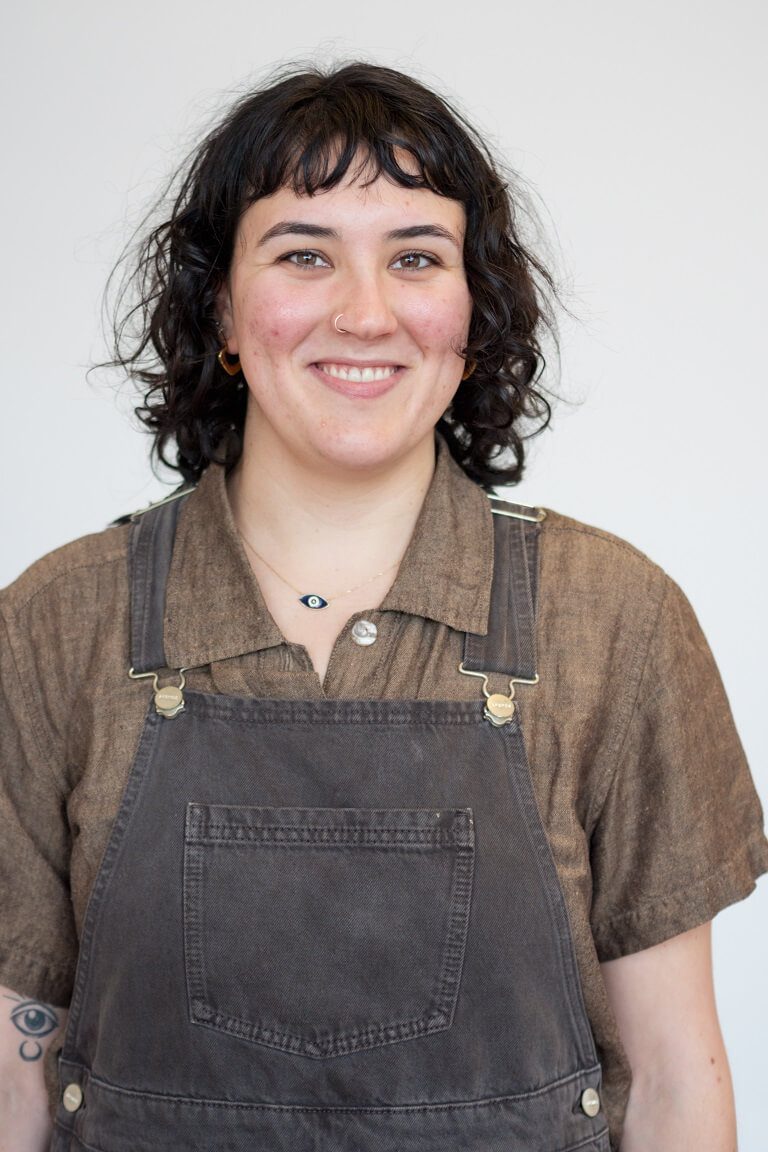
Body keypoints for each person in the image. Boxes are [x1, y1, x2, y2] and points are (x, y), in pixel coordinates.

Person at [0, 61, 766, 1152]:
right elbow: (11, 1087)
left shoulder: (614, 619)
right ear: (220, 303)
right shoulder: (54, 625)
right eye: (304, 254)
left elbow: (680, 1092)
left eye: (415, 257)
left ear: (471, 310)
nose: (365, 313)